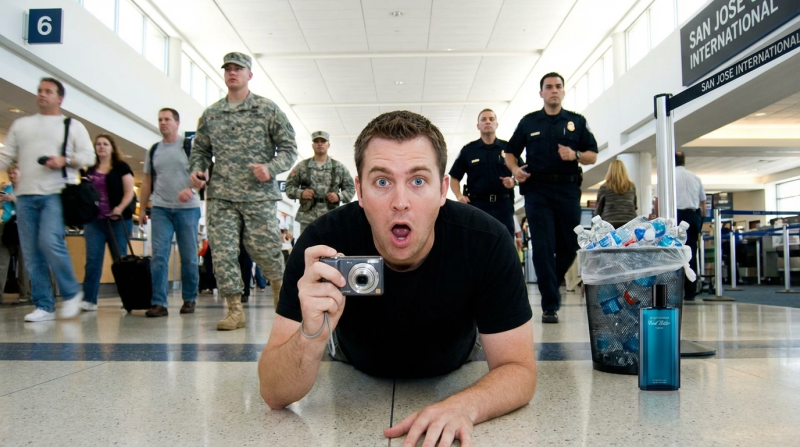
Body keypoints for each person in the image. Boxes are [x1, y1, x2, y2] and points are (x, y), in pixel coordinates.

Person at [259, 111, 536, 446]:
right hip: (351, 354)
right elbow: (274, 393)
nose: (400, 203)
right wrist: (311, 334)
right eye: (382, 182)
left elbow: (519, 370)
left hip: (458, 353)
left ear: (443, 190)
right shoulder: (323, 244)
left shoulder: (486, 241)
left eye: (418, 181)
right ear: (359, 192)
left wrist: (465, 405)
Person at [189, 52, 298, 328]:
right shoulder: (212, 114)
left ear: (249, 74)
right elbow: (200, 150)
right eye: (228, 68)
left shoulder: (267, 109)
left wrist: (271, 168)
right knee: (223, 253)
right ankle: (235, 311)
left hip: (258, 195)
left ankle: (282, 303)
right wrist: (198, 171)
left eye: (238, 68)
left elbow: (289, 149)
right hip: (221, 195)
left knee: (267, 251)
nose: (232, 72)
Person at [505, 72, 598, 324]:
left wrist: (575, 154)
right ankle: (549, 304)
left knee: (570, 244)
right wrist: (515, 170)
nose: (554, 90)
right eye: (549, 87)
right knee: (543, 246)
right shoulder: (529, 122)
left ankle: (552, 282)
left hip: (568, 189)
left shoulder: (576, 121)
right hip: (537, 191)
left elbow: (592, 155)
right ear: (541, 93)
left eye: (558, 86)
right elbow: (510, 153)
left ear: (563, 91)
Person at [0, 77, 95, 321]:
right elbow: (6, 156)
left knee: (50, 241)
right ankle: (44, 305)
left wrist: (66, 160)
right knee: (31, 253)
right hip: (25, 197)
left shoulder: (71, 125)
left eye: (48, 91)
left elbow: (89, 156)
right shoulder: (21, 125)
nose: (42, 94)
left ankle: (72, 292)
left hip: (54, 193)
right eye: (40, 90)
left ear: (59, 98)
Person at [138, 108, 201, 317]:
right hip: (160, 208)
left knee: (189, 257)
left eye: (167, 119)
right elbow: (147, 181)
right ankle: (159, 302)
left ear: (177, 123)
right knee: (158, 256)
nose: (163, 123)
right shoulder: (154, 150)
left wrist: (191, 190)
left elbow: (204, 175)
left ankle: (189, 298)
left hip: (188, 209)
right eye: (160, 119)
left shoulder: (189, 146)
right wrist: (142, 208)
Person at [80, 134, 135, 311]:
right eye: (98, 144)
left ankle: (128, 299)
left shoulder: (121, 167)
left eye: (105, 144)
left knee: (120, 261)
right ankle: (89, 299)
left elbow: (129, 192)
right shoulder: (90, 170)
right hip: (94, 222)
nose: (101, 146)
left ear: (112, 148)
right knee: (92, 261)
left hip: (118, 221)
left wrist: (119, 208)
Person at [449, 109, 516, 238]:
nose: (488, 122)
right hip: (477, 205)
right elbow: (454, 177)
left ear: (496, 124)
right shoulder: (469, 150)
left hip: (503, 205)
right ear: (478, 126)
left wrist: (513, 180)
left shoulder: (508, 148)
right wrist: (459, 196)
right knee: (478, 242)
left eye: (491, 119)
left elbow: (520, 171)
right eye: (483, 119)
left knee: (505, 242)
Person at [653, 151, 705, 300]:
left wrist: (658, 220)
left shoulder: (666, 177)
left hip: (675, 217)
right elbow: (703, 203)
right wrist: (700, 221)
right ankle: (690, 291)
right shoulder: (695, 177)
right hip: (693, 217)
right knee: (691, 253)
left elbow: (658, 201)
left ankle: (672, 290)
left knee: (670, 253)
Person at [285, 130, 355, 234]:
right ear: (312, 145)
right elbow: (289, 187)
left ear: (328, 145)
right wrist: (301, 193)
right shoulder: (302, 166)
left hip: (331, 216)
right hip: (307, 217)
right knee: (307, 243)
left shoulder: (339, 167)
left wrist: (339, 196)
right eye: (316, 141)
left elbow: (351, 188)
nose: (319, 144)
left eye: (323, 141)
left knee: (330, 243)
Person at [0, 165, 30, 304]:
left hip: (23, 226)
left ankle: (24, 294)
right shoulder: (6, 188)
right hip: (7, 226)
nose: (12, 175)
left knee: (23, 263)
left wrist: (14, 199)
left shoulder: (27, 189)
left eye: (14, 173)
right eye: (10, 173)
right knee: (2, 262)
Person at [595, 160, 638, 229]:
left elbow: (599, 209)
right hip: (630, 222)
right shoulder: (631, 186)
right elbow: (634, 206)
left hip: (609, 223)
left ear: (610, 171)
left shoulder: (604, 187)